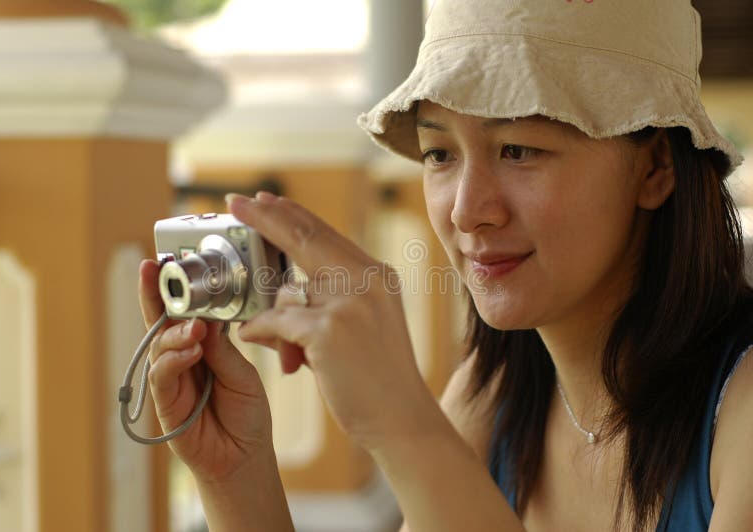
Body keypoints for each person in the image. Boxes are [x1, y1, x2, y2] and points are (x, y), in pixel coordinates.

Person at [137, 0, 753, 530]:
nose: (465, 211)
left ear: (654, 168)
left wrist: (401, 423)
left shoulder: (739, 420)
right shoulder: (497, 396)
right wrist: (233, 473)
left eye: (518, 149)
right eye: (438, 153)